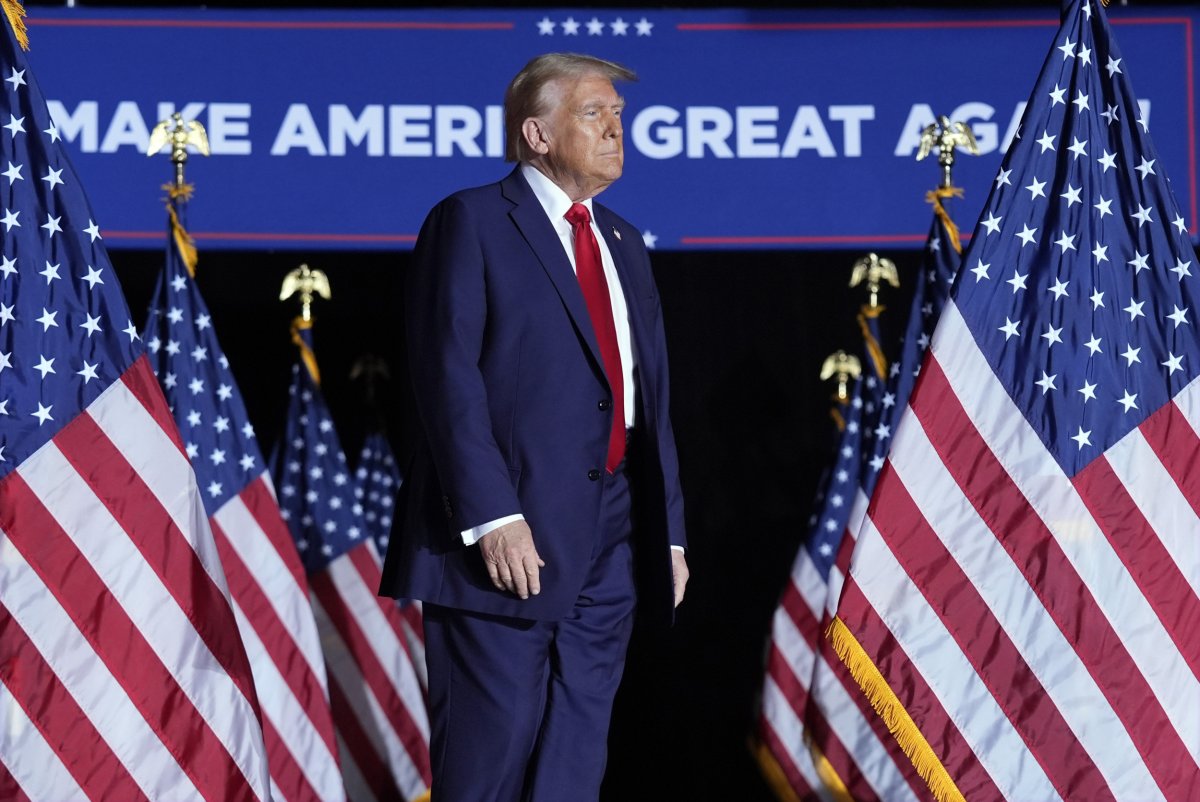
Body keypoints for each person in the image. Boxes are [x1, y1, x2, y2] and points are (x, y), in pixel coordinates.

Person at [380, 52, 689, 801]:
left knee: (574, 764)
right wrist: (492, 517)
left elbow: (649, 401)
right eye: (595, 114)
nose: (617, 129)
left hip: (613, 539)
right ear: (537, 134)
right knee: (490, 761)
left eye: (619, 115)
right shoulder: (473, 220)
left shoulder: (622, 243)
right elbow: (444, 377)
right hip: (504, 543)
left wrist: (667, 531)